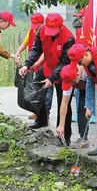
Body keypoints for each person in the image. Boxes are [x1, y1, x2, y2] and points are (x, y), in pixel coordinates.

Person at [19, 13, 75, 146]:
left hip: (64, 72)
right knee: (36, 89)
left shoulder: (68, 39)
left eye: (53, 31)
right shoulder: (41, 31)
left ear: (60, 27)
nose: (50, 34)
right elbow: (36, 50)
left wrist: (51, 79)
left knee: (63, 102)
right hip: (47, 67)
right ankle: (42, 118)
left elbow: (64, 62)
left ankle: (64, 136)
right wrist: (27, 65)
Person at [15, 12, 53, 120]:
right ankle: (37, 111)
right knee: (36, 88)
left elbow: (45, 51)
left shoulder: (48, 33)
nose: (36, 28)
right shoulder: (32, 31)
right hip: (34, 64)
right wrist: (18, 52)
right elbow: (25, 43)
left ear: (43, 22)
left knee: (46, 88)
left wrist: (36, 63)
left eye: (38, 25)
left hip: (46, 64)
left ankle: (46, 112)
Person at [71, 8, 97, 124]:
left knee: (90, 85)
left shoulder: (94, 31)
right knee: (79, 85)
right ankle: (78, 112)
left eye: (82, 17)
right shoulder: (79, 30)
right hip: (80, 60)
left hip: (90, 60)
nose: (80, 20)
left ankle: (93, 112)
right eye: (79, 17)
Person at [56, 64, 89, 148]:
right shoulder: (69, 74)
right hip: (81, 82)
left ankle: (86, 138)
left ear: (77, 75)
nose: (71, 84)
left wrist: (89, 107)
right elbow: (64, 102)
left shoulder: (87, 71)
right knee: (81, 104)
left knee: (84, 105)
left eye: (72, 82)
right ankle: (83, 137)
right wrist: (61, 125)